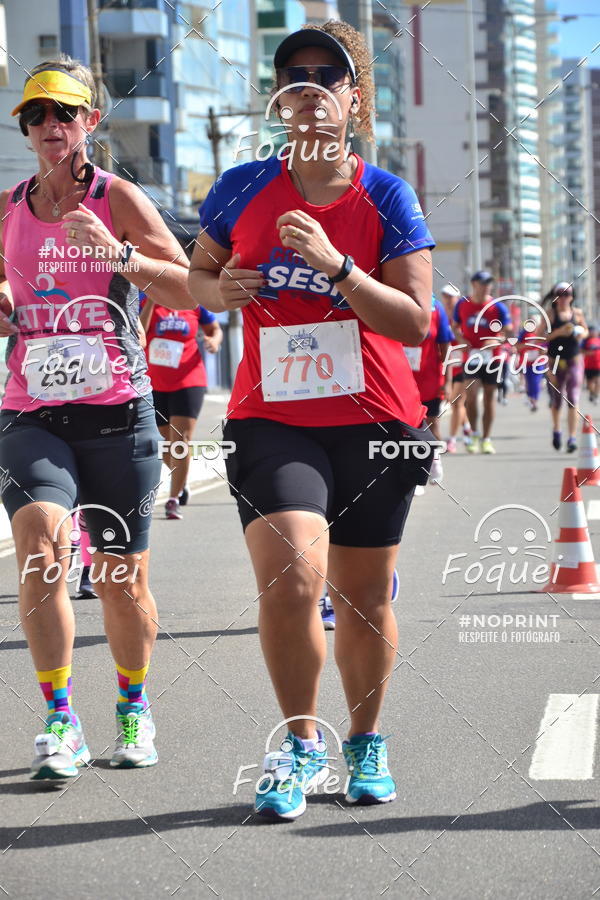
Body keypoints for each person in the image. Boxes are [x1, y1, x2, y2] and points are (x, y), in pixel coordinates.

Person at [189, 22, 435, 819]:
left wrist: (338, 267)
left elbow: (415, 322)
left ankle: (365, 741)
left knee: (362, 596)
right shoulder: (241, 187)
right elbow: (199, 275)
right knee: (293, 575)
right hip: (273, 419)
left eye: (327, 75)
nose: (309, 87)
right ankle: (299, 745)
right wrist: (218, 291)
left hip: (374, 421)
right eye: (293, 74)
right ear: (278, 99)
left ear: (353, 101)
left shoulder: (386, 195)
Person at [0, 57, 193, 778]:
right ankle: (61, 720)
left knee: (121, 578)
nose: (50, 124)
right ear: (25, 127)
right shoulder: (8, 206)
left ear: (90, 121)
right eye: (36, 114)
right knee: (42, 549)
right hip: (31, 410)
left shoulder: (120, 198)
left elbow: (188, 289)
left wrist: (118, 254)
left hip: (117, 412)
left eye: (64, 112)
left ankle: (133, 707)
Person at [140, 295, 223, 519]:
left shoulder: (194, 302)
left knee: (180, 439)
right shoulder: (145, 300)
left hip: (189, 379)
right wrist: (151, 300)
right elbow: (140, 335)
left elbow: (215, 329)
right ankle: (181, 480)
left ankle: (173, 499)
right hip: (154, 382)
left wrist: (214, 341)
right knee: (163, 443)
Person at [453, 271, 512, 455]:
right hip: (471, 357)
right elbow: (454, 326)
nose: (487, 286)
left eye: (489, 283)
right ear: (474, 284)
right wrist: (460, 339)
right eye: (483, 283)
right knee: (470, 397)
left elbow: (510, 332)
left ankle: (486, 439)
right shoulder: (463, 304)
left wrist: (497, 340)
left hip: (492, 357)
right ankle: (474, 433)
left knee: (488, 397)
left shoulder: (498, 307)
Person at [404, 294, 452, 484]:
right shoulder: (396, 299)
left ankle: (435, 461)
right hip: (403, 378)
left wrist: (448, 381)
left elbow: (446, 347)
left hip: (429, 378)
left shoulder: (436, 308)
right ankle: (415, 475)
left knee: (431, 424)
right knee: (407, 428)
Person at [543, 281, 588, 452]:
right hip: (554, 362)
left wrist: (580, 333)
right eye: (560, 295)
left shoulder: (577, 313)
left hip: (574, 360)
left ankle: (572, 438)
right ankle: (557, 430)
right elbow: (540, 337)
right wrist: (558, 333)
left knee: (573, 398)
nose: (563, 298)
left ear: (572, 296)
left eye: (567, 294)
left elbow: (585, 331)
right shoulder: (550, 315)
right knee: (557, 400)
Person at [440, 283, 471, 453]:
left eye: (450, 297)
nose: (447, 300)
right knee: (455, 403)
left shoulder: (464, 316)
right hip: (447, 367)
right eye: (445, 296)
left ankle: (451, 440)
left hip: (464, 365)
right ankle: (467, 427)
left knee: (456, 402)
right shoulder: (441, 315)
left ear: (457, 298)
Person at [516, 314, 546, 412]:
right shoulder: (523, 333)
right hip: (527, 362)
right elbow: (517, 346)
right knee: (529, 381)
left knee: (536, 381)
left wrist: (544, 350)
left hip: (538, 362)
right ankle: (530, 397)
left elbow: (546, 346)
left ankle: (534, 401)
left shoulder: (541, 333)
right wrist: (528, 345)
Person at [582, 324, 600, 404]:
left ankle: (596, 395)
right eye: (591, 331)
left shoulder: (599, 339)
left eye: (594, 331)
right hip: (588, 365)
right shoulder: (585, 341)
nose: (593, 333)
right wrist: (588, 353)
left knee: (598, 381)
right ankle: (592, 393)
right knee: (589, 383)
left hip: (598, 365)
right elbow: (580, 350)